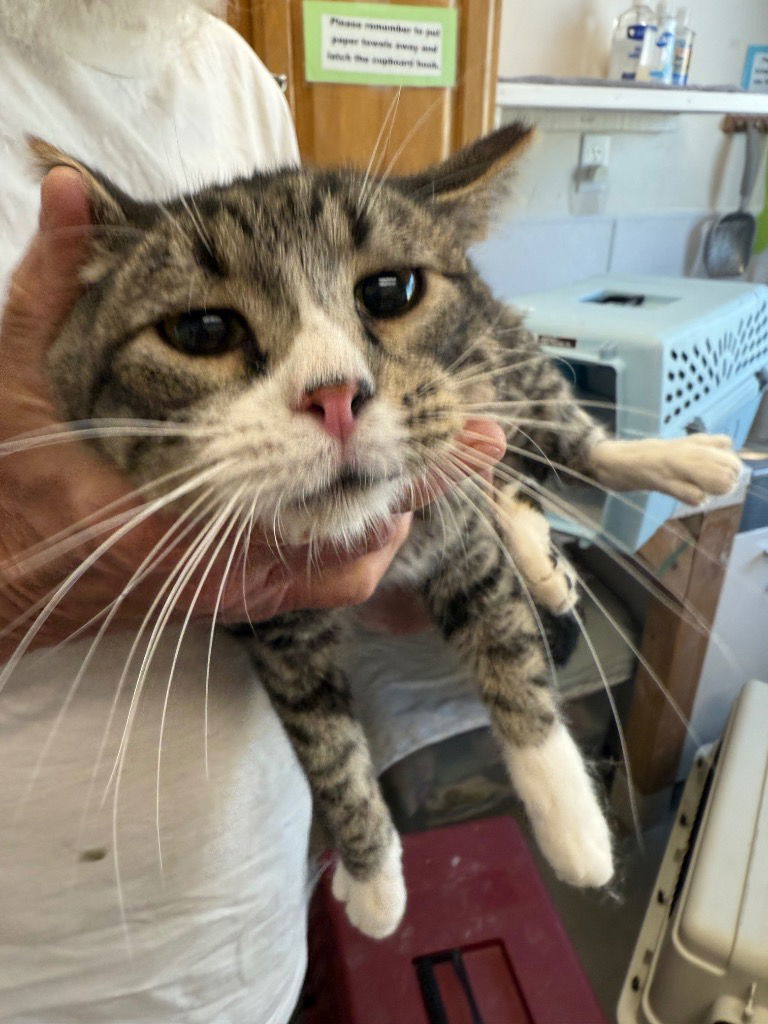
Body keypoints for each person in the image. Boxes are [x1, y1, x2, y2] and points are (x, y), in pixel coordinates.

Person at [0, 3, 505, 1021]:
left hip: (244, 929)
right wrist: (18, 562)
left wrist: (391, 562)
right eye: (205, 325)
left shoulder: (228, 68)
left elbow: (286, 488)